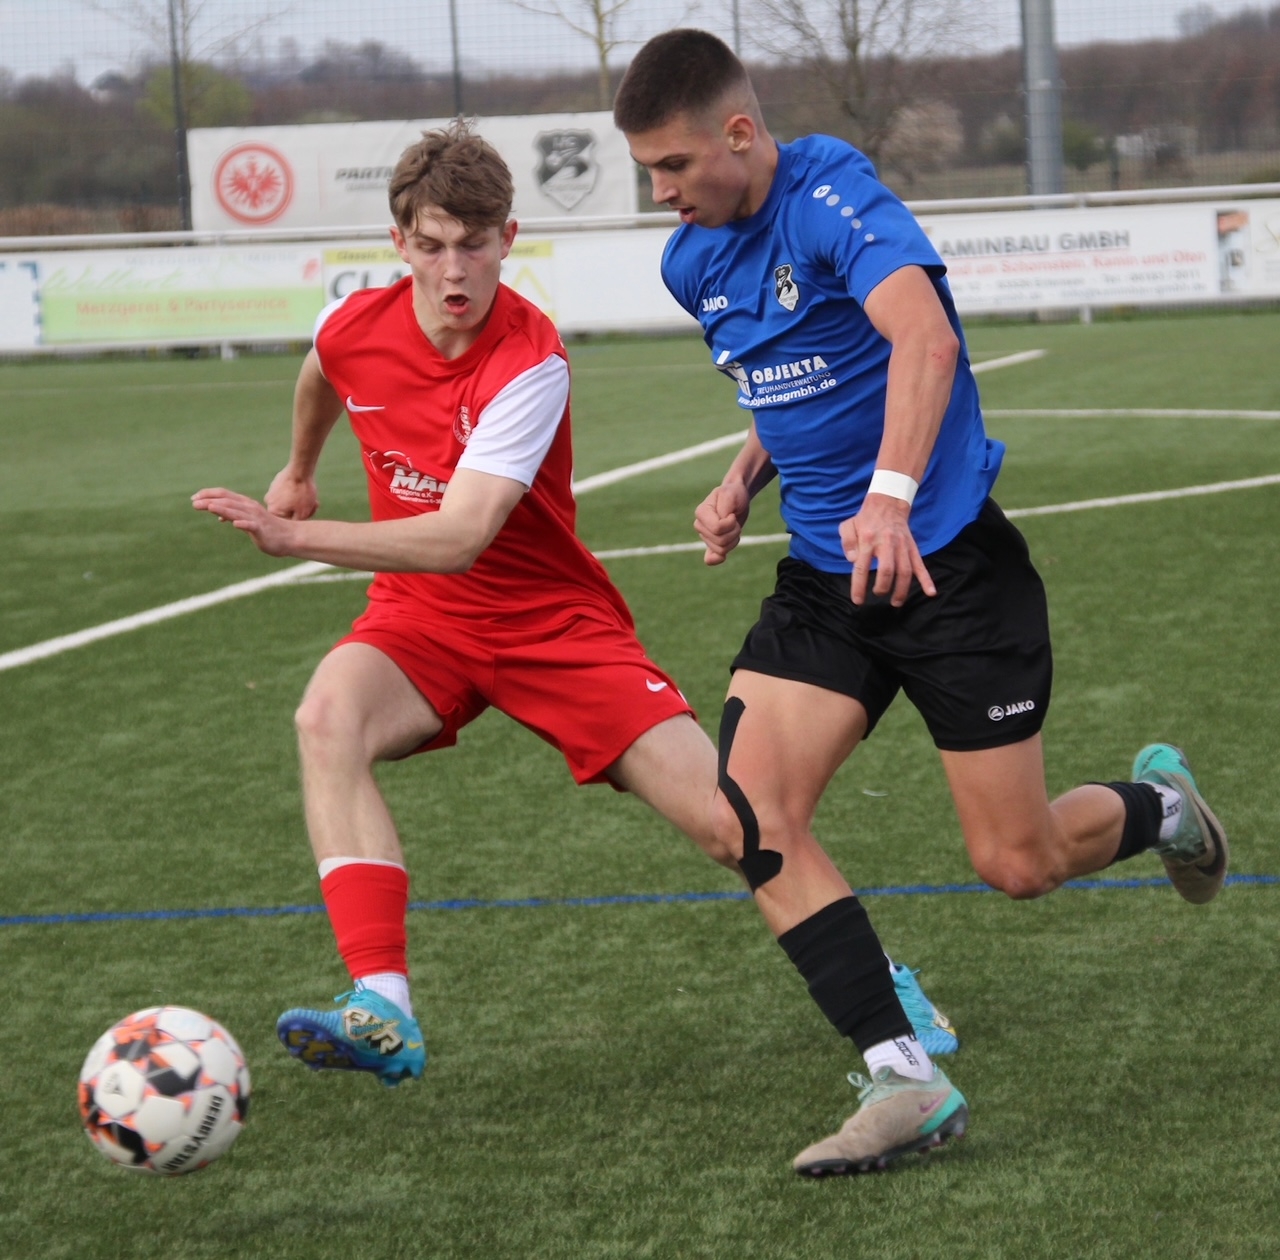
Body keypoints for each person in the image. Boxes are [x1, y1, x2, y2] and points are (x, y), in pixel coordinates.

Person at [191, 121, 956, 1105]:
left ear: (508, 238)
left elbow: (461, 535)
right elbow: (321, 373)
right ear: (399, 244)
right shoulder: (352, 325)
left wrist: (293, 534)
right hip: (420, 618)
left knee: (732, 825)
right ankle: (382, 1003)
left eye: (474, 245)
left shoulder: (530, 360)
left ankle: (882, 981)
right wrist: (299, 469)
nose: (453, 270)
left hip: (551, 625)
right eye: (431, 246)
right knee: (325, 718)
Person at [614, 29, 1228, 1177]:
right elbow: (790, 380)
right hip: (827, 582)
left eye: (673, 165)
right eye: (648, 171)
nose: (661, 193)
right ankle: (902, 1073)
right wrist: (742, 479)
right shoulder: (690, 262)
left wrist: (888, 497)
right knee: (748, 815)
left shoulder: (830, 195)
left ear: (738, 134)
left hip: (948, 570)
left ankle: (1162, 810)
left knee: (1017, 862)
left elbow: (922, 340)